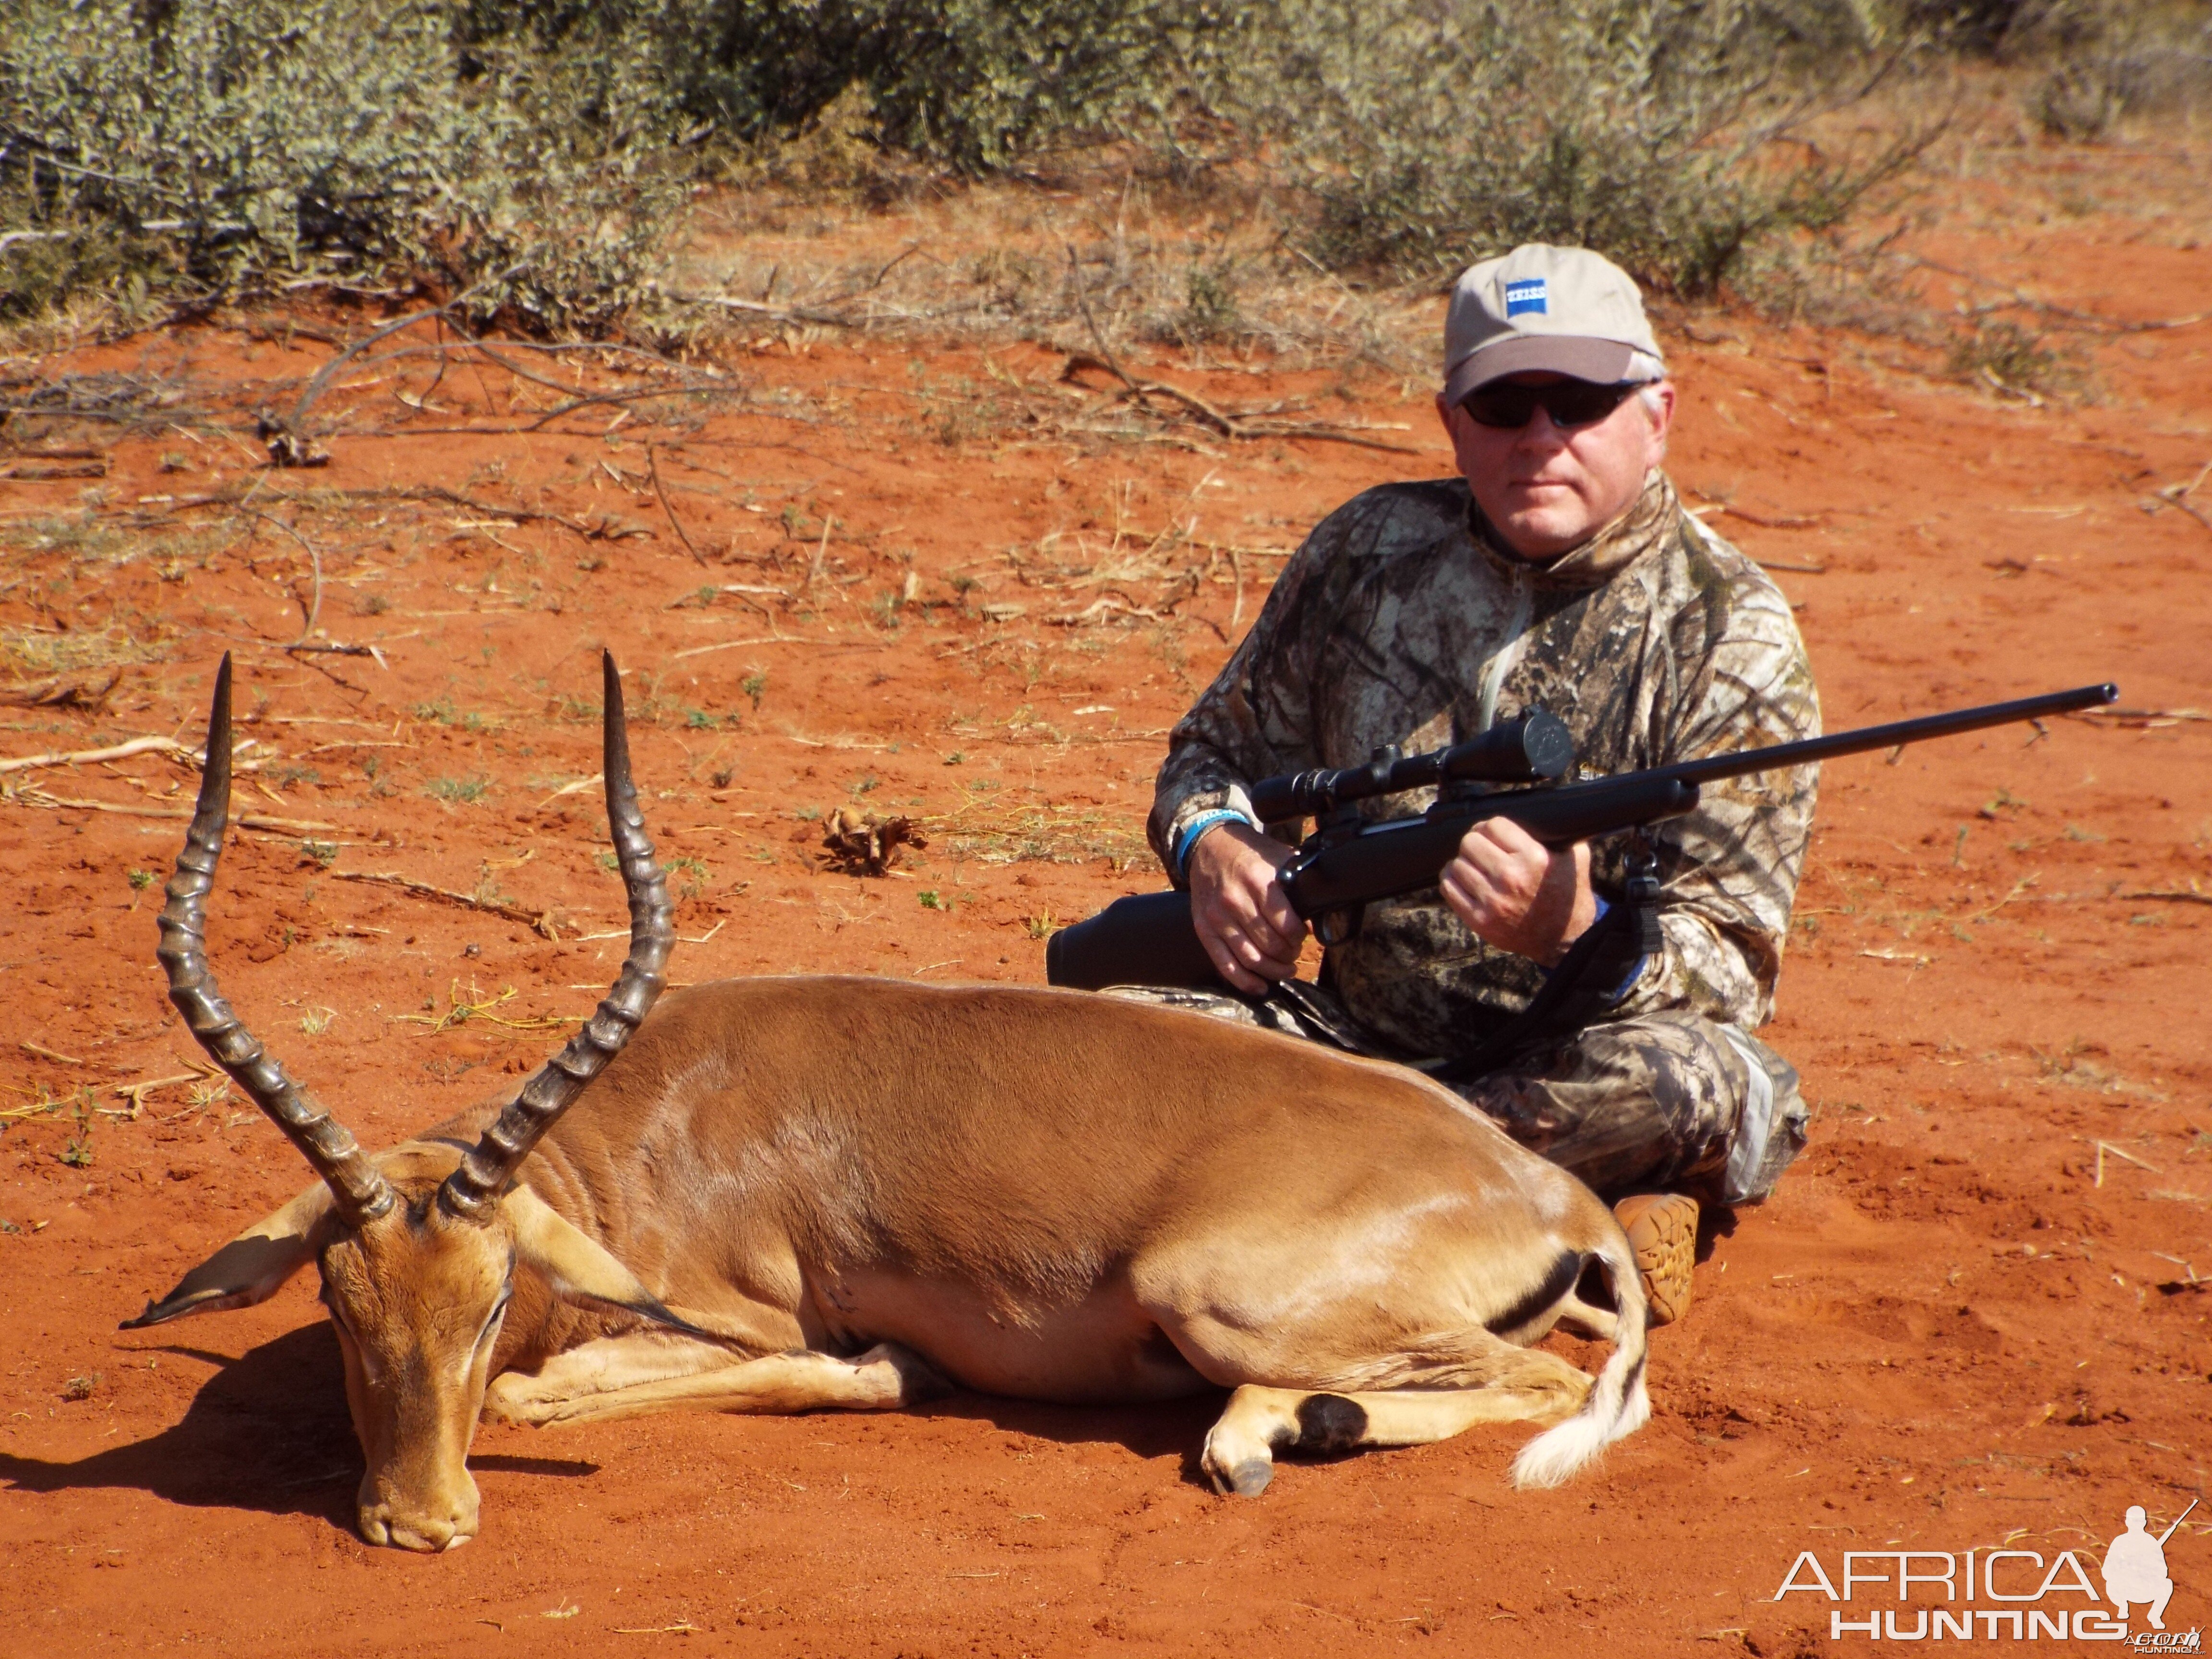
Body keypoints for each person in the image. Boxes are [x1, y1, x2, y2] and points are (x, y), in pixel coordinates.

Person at [1137, 244, 1820, 1325]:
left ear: (1657, 412)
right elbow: (1207, 760)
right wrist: (1215, 846)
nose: (1541, 436)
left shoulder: (1730, 627)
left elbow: (1730, 967)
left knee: (1691, 1082)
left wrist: (1582, 931)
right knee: (1105, 1039)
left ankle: (1327, 1204)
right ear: (1454, 420)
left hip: (1570, 1072)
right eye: (1505, 402)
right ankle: (1540, 1224)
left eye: (1581, 400)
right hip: (1348, 1049)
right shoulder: (1364, 551)